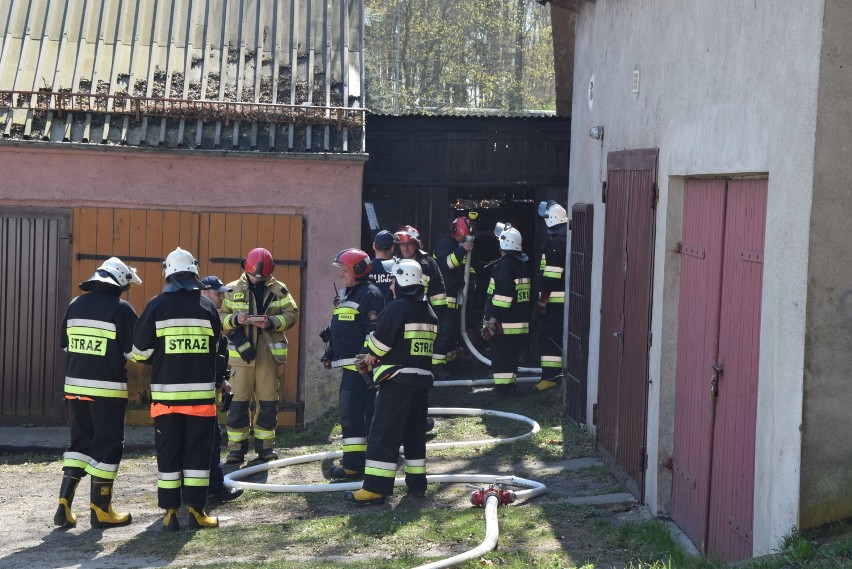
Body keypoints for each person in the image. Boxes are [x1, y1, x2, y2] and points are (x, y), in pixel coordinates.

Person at [131, 247, 221, 530]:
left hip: (167, 399)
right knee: (197, 453)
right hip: (201, 400)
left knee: (169, 452)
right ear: (194, 273)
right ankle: (196, 511)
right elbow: (218, 351)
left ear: (167, 272)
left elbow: (140, 353)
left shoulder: (156, 306)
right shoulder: (208, 308)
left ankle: (170, 512)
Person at [54, 257, 141, 529]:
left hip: (75, 390)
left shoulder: (75, 305)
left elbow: (66, 346)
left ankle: (63, 505)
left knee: (80, 445)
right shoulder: (122, 310)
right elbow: (136, 353)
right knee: (107, 446)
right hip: (107, 392)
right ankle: (101, 510)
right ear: (119, 283)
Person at [345, 258, 438, 505]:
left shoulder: (397, 308)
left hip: (397, 382)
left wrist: (368, 357)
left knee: (383, 434)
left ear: (402, 280)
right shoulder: (429, 312)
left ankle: (375, 488)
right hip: (421, 383)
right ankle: (417, 485)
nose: (391, 284)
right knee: (414, 434)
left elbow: (380, 344)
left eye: (393, 279)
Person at [220, 247, 300, 464]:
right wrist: (236, 320)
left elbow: (292, 314)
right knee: (237, 404)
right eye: (254, 276)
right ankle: (236, 450)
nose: (257, 279)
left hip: (268, 354)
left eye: (261, 277)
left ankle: (265, 448)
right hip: (240, 356)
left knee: (267, 404)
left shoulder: (279, 289)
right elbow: (219, 316)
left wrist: (272, 322)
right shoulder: (230, 290)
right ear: (246, 268)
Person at [321, 249, 385, 480]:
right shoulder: (348, 294)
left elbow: (373, 332)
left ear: (358, 270)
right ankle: (361, 461)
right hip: (349, 368)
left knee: (352, 415)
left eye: (345, 270)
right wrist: (330, 353)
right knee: (357, 415)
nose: (341, 275)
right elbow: (338, 329)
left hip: (361, 370)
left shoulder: (370, 294)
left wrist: (365, 358)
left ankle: (352, 466)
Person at [200, 275, 244, 501]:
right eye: (218, 293)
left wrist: (221, 381)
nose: (221, 298)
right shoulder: (204, 314)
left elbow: (213, 355)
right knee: (211, 440)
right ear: (205, 291)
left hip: (202, 388)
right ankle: (214, 488)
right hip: (198, 395)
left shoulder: (205, 313)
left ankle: (188, 491)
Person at [480, 223, 531, 393]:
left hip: (504, 325)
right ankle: (509, 386)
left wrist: (492, 320)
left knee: (501, 356)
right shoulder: (522, 265)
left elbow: (503, 298)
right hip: (519, 324)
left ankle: (502, 389)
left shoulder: (503, 266)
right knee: (512, 357)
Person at [431, 216, 475, 379]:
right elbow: (448, 264)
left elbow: (466, 266)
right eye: (460, 237)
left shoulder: (457, 244)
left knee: (453, 331)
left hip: (454, 294)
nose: (461, 240)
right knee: (444, 331)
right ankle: (437, 366)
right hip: (443, 296)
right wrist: (463, 249)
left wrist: (472, 279)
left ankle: (450, 361)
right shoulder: (444, 244)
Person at [394, 225, 447, 360]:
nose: (405, 248)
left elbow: (438, 297)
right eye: (402, 245)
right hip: (401, 317)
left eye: (409, 244)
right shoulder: (396, 263)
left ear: (416, 244)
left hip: (423, 318)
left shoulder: (428, 264)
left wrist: (436, 320)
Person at [535, 201, 569, 392]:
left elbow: (552, 275)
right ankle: (553, 376)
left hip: (554, 301)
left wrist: (543, 298)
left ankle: (550, 377)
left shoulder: (555, 243)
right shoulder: (565, 238)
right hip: (561, 300)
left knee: (549, 338)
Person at [369, 230, 396, 305]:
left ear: (374, 246)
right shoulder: (398, 268)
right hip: (392, 314)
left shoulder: (365, 269)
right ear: (392, 248)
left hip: (371, 314)